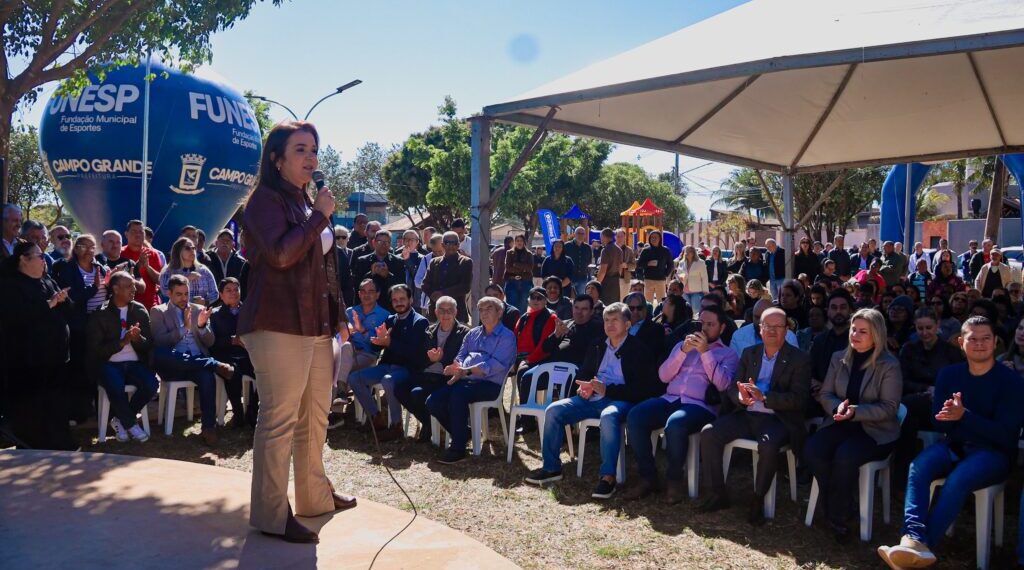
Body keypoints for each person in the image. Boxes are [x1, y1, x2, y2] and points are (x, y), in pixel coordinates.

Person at [236, 121, 354, 544]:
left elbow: (325, 269)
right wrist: (320, 216)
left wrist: (338, 313)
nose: (311, 158)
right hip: (278, 323)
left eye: (314, 150)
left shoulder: (308, 203)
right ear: (277, 159)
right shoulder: (264, 202)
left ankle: (315, 496)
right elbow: (283, 255)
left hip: (316, 325)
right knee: (280, 420)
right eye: (300, 149)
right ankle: (271, 514)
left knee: (315, 415)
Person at [878, 317, 1024, 569]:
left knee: (958, 479)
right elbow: (940, 424)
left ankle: (923, 548)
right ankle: (912, 537)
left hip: (994, 453)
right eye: (972, 339)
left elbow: (1006, 435)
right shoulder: (949, 375)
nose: (979, 344)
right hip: (956, 445)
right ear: (960, 343)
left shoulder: (1010, 381)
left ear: (996, 342)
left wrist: (964, 417)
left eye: (986, 338)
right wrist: (953, 419)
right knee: (919, 467)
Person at [524, 302, 659, 499]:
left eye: (615, 320)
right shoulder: (597, 344)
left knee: (608, 415)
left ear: (628, 324)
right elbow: (585, 373)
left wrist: (608, 390)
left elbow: (642, 389)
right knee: (554, 410)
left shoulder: (639, 350)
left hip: (620, 400)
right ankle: (551, 468)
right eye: (606, 320)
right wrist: (584, 386)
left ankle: (608, 477)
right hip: (592, 398)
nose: (610, 325)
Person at [698, 307, 811, 525]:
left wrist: (766, 397)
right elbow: (732, 388)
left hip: (778, 418)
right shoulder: (750, 353)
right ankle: (718, 493)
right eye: (767, 326)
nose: (771, 331)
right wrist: (740, 397)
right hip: (747, 413)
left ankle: (757, 500)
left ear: (786, 330)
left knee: (768, 445)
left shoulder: (799, 359)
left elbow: (799, 399)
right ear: (759, 330)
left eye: (778, 326)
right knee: (709, 433)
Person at [804, 308, 902, 542]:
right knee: (812, 451)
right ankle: (841, 504)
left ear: (876, 334)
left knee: (845, 456)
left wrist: (855, 412)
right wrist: (837, 407)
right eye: (853, 329)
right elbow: (826, 394)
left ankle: (837, 517)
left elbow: (889, 408)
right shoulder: (839, 358)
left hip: (875, 431)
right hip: (840, 423)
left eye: (863, 331)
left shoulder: (889, 365)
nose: (855, 335)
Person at [624, 305, 738, 503]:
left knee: (675, 425)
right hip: (670, 398)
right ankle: (648, 477)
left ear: (721, 329)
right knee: (635, 416)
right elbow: (663, 376)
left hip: (701, 406)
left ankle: (674, 480)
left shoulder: (728, 354)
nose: (704, 328)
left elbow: (723, 384)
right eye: (702, 323)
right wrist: (682, 352)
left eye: (710, 325)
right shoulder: (681, 346)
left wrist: (705, 353)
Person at [0, 239, 78, 450]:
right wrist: (50, 303)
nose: (45, 260)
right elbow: (16, 317)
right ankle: (34, 446)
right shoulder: (11, 286)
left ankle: (60, 444)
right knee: (34, 407)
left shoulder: (48, 280)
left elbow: (68, 310)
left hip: (56, 357)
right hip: (29, 360)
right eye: (40, 256)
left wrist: (63, 300)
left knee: (56, 404)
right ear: (24, 260)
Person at [426, 296, 517, 464]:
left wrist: (465, 370)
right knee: (433, 401)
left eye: (488, 308)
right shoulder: (473, 333)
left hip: (490, 384)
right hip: (465, 379)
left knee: (458, 394)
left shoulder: (507, 337)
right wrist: (457, 367)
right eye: (480, 309)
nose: (483, 313)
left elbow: (494, 365)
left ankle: (458, 449)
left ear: (500, 312)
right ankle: (463, 432)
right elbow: (461, 355)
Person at [150, 275, 234, 443]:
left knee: (206, 376)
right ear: (169, 293)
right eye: (179, 294)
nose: (183, 298)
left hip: (195, 362)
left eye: (186, 294)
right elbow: (160, 341)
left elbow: (210, 342)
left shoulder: (197, 309)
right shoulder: (158, 311)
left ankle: (208, 427)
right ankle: (213, 364)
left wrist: (202, 326)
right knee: (160, 353)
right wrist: (184, 329)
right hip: (174, 364)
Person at [349, 284, 428, 442]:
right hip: (387, 366)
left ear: (411, 299)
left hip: (408, 369)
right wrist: (364, 332)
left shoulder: (420, 322)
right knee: (354, 378)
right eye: (394, 300)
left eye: (402, 299)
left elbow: (414, 353)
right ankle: (375, 418)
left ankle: (396, 426)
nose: (398, 303)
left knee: (388, 380)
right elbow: (375, 346)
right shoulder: (391, 320)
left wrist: (389, 342)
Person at [87, 271, 158, 442]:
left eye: (134, 286)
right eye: (128, 287)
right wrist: (121, 343)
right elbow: (95, 351)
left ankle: (121, 420)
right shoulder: (100, 313)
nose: (133, 290)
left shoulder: (140, 310)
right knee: (114, 384)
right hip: (109, 364)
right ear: (116, 289)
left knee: (151, 384)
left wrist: (137, 339)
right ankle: (132, 425)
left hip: (135, 363)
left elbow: (148, 344)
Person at [894, 307, 964, 480]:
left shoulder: (950, 352)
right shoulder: (909, 350)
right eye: (920, 328)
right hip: (916, 401)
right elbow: (902, 380)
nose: (924, 332)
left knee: (907, 409)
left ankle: (905, 474)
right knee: (907, 412)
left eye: (928, 328)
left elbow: (959, 381)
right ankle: (907, 472)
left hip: (941, 405)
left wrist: (939, 391)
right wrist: (925, 389)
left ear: (937, 325)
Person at [394, 296, 469, 443]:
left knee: (417, 394)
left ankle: (439, 428)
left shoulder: (464, 333)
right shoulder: (429, 331)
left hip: (446, 378)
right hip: (426, 374)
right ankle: (429, 423)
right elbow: (418, 358)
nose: (446, 314)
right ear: (436, 312)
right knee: (399, 389)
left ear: (456, 312)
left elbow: (461, 360)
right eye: (442, 311)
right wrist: (430, 359)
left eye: (449, 311)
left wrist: (442, 359)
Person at [52, 234, 109, 422]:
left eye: (93, 247)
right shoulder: (68, 270)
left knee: (98, 367)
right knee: (80, 370)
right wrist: (93, 288)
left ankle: (102, 408)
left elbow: (106, 291)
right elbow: (72, 298)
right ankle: (79, 412)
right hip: (80, 328)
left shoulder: (99, 267)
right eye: (84, 246)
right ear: (76, 249)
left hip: (101, 326)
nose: (89, 250)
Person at [210, 277, 258, 429]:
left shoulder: (249, 311)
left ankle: (253, 409)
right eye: (228, 290)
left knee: (265, 372)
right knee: (233, 373)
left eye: (236, 289)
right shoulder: (215, 315)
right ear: (221, 295)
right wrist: (232, 341)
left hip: (248, 354)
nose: (233, 293)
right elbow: (212, 343)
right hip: (226, 355)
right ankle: (238, 412)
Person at [335, 279, 390, 401]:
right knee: (346, 347)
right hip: (346, 352)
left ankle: (338, 401)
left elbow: (379, 344)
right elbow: (338, 339)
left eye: (371, 291)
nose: (366, 295)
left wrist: (362, 330)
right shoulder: (349, 311)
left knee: (334, 369)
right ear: (359, 294)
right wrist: (347, 332)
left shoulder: (385, 315)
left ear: (377, 294)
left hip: (367, 354)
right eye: (363, 291)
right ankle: (341, 394)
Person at [421, 231, 473, 323]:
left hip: (457, 313)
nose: (451, 246)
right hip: (435, 313)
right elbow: (425, 284)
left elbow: (465, 287)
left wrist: (442, 293)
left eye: (454, 243)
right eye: (448, 243)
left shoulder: (465, 262)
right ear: (442, 245)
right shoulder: (433, 262)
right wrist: (433, 294)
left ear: (458, 245)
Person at [353, 230, 405, 313]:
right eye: (380, 241)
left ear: (390, 244)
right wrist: (371, 274)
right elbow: (356, 286)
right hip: (367, 309)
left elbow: (402, 287)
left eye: (387, 242)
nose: (383, 245)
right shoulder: (362, 261)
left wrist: (388, 275)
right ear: (374, 242)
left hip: (389, 308)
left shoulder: (398, 262)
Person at [159, 236, 219, 306]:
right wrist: (186, 279)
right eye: (187, 248)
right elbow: (165, 291)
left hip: (199, 313)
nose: (192, 251)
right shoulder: (168, 271)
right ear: (178, 251)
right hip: (175, 313)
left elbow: (215, 293)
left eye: (193, 248)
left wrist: (205, 302)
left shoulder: (203, 270)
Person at [729, 299, 799, 356]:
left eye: (765, 317)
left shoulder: (789, 337)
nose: (760, 322)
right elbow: (734, 369)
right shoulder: (738, 336)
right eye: (757, 317)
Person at [120, 220, 164, 308]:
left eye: (141, 232)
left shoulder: (153, 254)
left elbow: (160, 280)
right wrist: (138, 265)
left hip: (150, 306)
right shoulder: (120, 253)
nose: (138, 235)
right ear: (126, 234)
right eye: (134, 232)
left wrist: (147, 267)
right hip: (126, 307)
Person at [208, 228, 250, 302]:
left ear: (233, 244)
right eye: (222, 239)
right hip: (212, 304)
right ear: (216, 243)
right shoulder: (206, 259)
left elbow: (244, 286)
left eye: (228, 240)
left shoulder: (241, 262)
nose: (225, 242)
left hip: (234, 304)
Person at [623, 291, 665, 356]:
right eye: (632, 308)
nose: (635, 311)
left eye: (639, 308)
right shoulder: (621, 326)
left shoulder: (656, 329)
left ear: (645, 309)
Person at [638, 230, 674, 303]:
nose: (653, 239)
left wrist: (666, 274)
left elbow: (671, 264)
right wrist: (648, 263)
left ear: (660, 239)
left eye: (655, 237)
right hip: (648, 280)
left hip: (661, 280)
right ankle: (648, 315)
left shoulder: (665, 250)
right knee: (648, 302)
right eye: (652, 237)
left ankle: (662, 314)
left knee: (661, 302)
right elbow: (639, 264)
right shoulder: (645, 250)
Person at [502, 234, 535, 313]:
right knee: (511, 307)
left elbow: (530, 267)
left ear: (524, 242)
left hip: (525, 282)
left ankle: (521, 324)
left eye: (521, 241)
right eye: (517, 241)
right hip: (512, 281)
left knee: (523, 306)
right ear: (514, 242)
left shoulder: (529, 254)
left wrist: (516, 264)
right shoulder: (509, 253)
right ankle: (512, 323)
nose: (519, 242)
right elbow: (508, 268)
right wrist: (523, 269)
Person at [415, 234, 443, 315]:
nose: (438, 254)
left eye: (440, 251)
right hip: (427, 304)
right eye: (435, 251)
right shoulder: (426, 259)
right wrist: (430, 286)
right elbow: (417, 281)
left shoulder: (451, 258)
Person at [595, 228, 622, 306]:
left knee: (605, 306)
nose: (601, 239)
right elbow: (620, 269)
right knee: (614, 306)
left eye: (601, 237)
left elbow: (603, 270)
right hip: (616, 281)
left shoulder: (606, 250)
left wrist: (597, 284)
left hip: (606, 282)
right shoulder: (619, 249)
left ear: (604, 236)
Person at [564, 226, 594, 297]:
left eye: (582, 233)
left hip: (583, 278)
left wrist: (589, 277)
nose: (580, 235)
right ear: (574, 234)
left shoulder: (588, 248)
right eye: (578, 233)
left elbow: (589, 263)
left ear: (585, 235)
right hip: (569, 278)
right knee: (567, 298)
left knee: (581, 298)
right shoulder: (567, 246)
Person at [678, 245, 709, 310]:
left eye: (689, 251)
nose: (687, 253)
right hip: (684, 292)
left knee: (696, 311)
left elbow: (704, 277)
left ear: (693, 253)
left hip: (696, 292)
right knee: (686, 311)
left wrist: (706, 291)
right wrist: (680, 276)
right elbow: (679, 273)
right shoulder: (681, 263)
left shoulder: (700, 262)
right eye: (686, 251)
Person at [333, 226, 355, 308]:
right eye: (337, 237)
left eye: (344, 237)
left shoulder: (353, 253)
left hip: (350, 294)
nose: (341, 240)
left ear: (348, 239)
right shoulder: (330, 255)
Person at [615, 228, 637, 297]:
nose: (620, 238)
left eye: (621, 236)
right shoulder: (611, 249)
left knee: (624, 300)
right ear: (615, 237)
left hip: (625, 280)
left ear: (624, 237)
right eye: (618, 236)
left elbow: (634, 266)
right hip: (613, 279)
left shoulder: (629, 250)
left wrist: (626, 265)